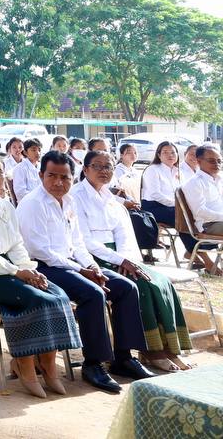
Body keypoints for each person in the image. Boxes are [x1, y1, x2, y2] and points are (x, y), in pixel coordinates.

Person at [17, 153, 152, 393]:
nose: (58, 183)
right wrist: (81, 270)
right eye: (52, 176)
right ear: (41, 175)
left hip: (71, 264)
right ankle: (93, 364)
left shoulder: (69, 201)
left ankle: (123, 358)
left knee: (126, 287)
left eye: (65, 177)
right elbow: (41, 251)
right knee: (93, 294)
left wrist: (93, 267)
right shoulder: (33, 203)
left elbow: (77, 243)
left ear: (73, 177)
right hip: (43, 268)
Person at [0, 153, 81, 398]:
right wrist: (17, 272)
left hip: (7, 265)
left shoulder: (6, 206)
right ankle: (24, 364)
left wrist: (28, 269)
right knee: (33, 298)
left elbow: (16, 244)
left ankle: (47, 364)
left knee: (57, 294)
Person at [72, 150, 195, 372]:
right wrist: (119, 260)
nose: (103, 171)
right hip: (93, 258)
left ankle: (169, 349)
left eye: (108, 166)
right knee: (142, 286)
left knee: (160, 281)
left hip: (122, 257)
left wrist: (126, 260)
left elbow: (124, 234)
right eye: (97, 166)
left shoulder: (113, 200)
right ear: (86, 169)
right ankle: (150, 351)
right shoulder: (75, 197)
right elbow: (84, 241)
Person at [141, 141, 196, 254]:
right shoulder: (153, 169)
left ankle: (196, 250)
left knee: (196, 214)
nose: (170, 155)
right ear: (159, 155)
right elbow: (155, 194)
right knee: (183, 217)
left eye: (173, 152)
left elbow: (184, 192)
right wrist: (178, 205)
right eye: (165, 152)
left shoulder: (178, 171)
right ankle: (196, 253)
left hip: (172, 206)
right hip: (154, 207)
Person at [181, 144, 223, 272]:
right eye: (211, 161)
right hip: (208, 225)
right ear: (199, 161)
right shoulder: (194, 183)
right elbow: (200, 211)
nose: (217, 164)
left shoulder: (220, 179)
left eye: (219, 161)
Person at [11, 138, 43, 203]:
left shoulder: (41, 167)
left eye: (39, 150)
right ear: (25, 152)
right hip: (27, 203)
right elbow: (20, 193)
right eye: (34, 150)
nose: (38, 153)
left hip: (42, 201)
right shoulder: (20, 168)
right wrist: (38, 198)